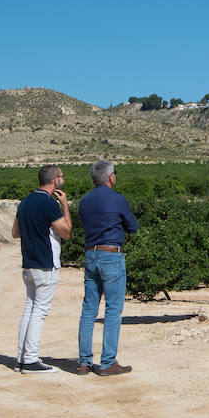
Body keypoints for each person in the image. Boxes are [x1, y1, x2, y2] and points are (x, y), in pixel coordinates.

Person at [77, 160, 139, 376]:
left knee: (88, 309)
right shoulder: (118, 200)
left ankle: (84, 362)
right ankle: (107, 362)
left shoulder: (84, 201)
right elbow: (133, 227)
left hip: (90, 254)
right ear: (111, 176)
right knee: (113, 309)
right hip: (111, 255)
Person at [13, 164, 72, 373]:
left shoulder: (25, 202)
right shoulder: (48, 203)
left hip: (28, 263)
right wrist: (64, 205)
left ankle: (22, 357)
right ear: (55, 179)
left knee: (30, 308)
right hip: (45, 263)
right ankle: (30, 359)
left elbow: (15, 232)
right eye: (62, 176)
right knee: (40, 311)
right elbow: (66, 232)